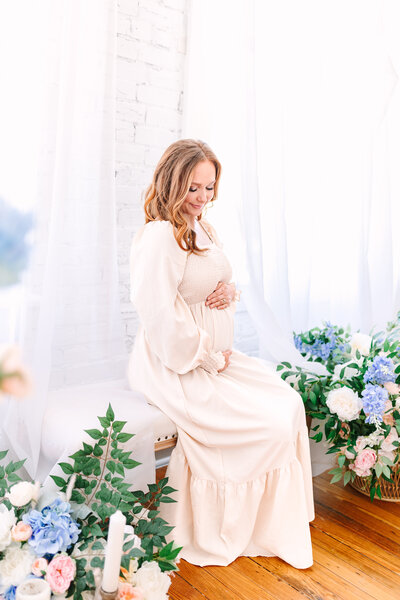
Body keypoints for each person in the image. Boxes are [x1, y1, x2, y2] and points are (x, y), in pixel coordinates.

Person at [127, 139, 315, 569]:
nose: (202, 199)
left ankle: (276, 521)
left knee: (287, 402)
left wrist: (228, 292)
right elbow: (158, 315)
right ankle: (243, 526)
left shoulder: (204, 228)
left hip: (217, 352)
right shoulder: (159, 236)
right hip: (175, 361)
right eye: (193, 188)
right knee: (266, 422)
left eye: (209, 188)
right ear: (172, 183)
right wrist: (206, 357)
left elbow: (212, 283)